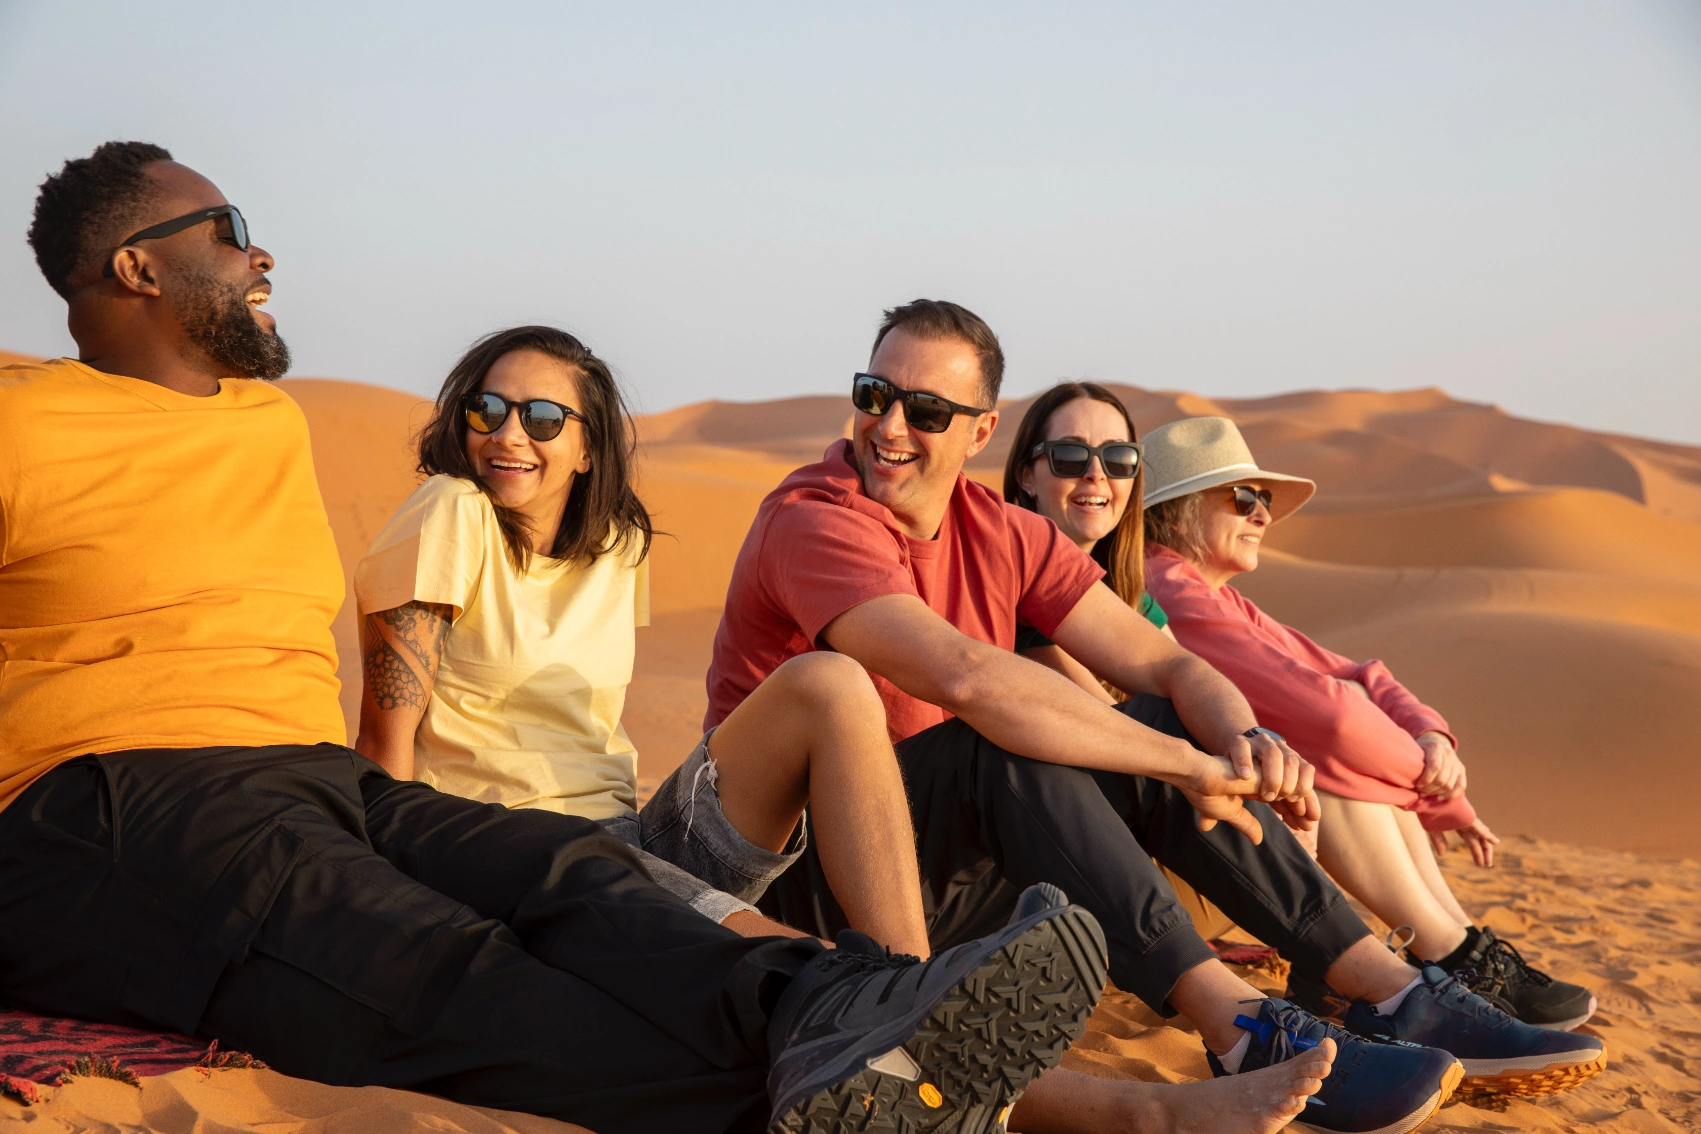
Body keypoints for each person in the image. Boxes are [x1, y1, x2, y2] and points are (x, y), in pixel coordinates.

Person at [0, 142, 1110, 1134]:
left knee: (573, 876)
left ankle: (849, 1016)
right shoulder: (24, 419)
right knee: (436, 962)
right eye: (230, 232)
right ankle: (819, 1100)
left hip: (310, 778)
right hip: (100, 798)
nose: (263, 256)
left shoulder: (262, 416)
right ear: (138, 269)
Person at [713, 298, 1608, 1132]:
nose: (889, 426)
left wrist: (1235, 741)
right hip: (813, 881)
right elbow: (966, 678)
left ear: (980, 431)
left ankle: (1384, 986)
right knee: (1013, 738)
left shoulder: (1003, 531)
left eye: (924, 409)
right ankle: (1240, 1028)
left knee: (1150, 717)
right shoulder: (816, 518)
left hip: (952, 873)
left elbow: (1174, 664)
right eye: (874, 395)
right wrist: (1183, 766)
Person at [354, 323, 929, 954]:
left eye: (542, 417)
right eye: (487, 410)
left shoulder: (617, 543)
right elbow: (386, 746)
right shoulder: (450, 509)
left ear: (588, 449)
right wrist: (390, 921)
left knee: (829, 681)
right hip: (503, 850)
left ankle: (908, 964)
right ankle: (886, 1000)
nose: (507, 434)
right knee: (754, 949)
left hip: (625, 838)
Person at [1132, 415, 1596, 1032]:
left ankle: (1454, 947)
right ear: (1180, 510)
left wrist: (1430, 739)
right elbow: (1337, 719)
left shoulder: (1216, 597)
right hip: (1153, 866)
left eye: (1264, 501)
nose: (1262, 516)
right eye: (1244, 499)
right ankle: (1452, 954)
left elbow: (1358, 677)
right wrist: (1436, 789)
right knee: (1322, 765)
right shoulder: (1172, 591)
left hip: (1204, 847)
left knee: (1335, 763)